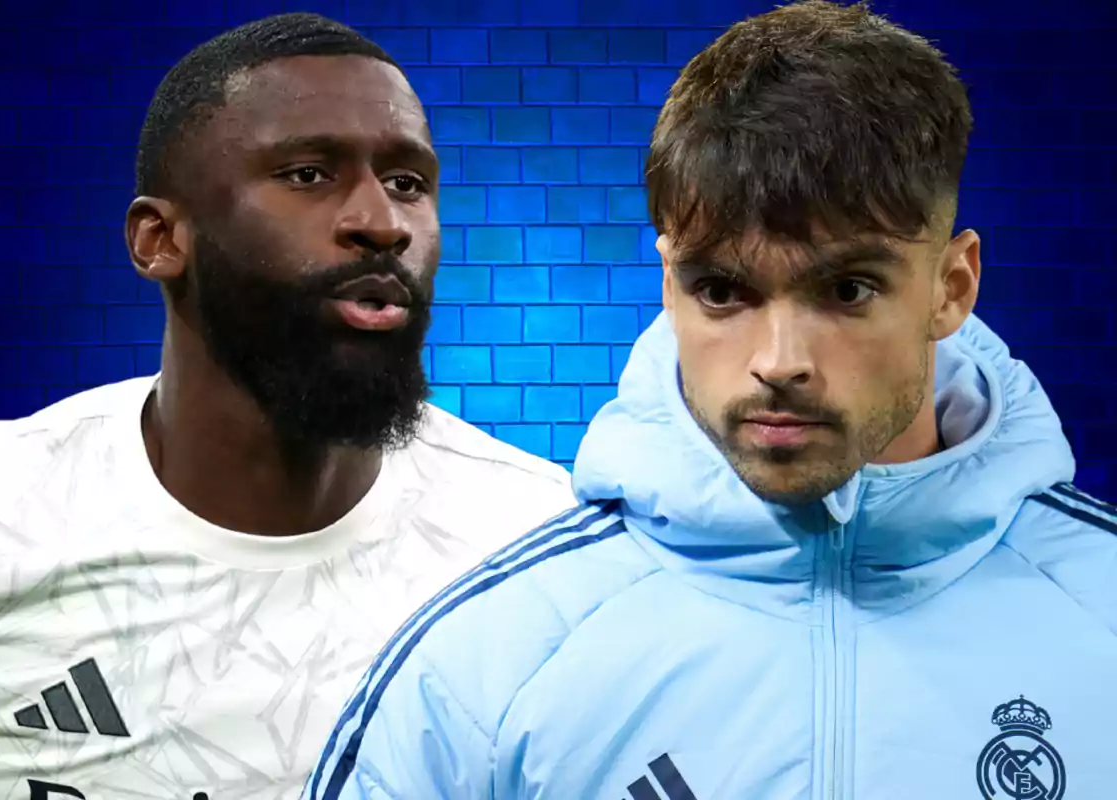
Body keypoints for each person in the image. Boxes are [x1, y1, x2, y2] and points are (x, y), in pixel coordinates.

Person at [304, 3, 1117, 799]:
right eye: (724, 290)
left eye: (847, 289)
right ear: (669, 285)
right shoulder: (488, 665)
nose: (778, 363)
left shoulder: (1098, 608)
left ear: (952, 286)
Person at [0, 13, 577, 800]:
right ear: (159, 239)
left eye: (408, 183)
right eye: (307, 174)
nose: (381, 222)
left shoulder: (540, 552)